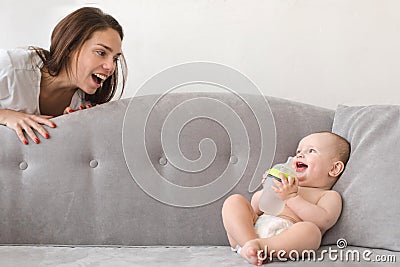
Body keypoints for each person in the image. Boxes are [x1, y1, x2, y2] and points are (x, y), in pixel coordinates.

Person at [0, 7, 127, 145]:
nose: (111, 67)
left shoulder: (84, 104)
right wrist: (5, 116)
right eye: (101, 53)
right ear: (70, 47)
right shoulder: (10, 66)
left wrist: (68, 127)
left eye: (115, 58)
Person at [221, 131, 350, 265]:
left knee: (312, 232)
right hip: (253, 229)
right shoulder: (285, 185)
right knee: (234, 201)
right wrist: (267, 190)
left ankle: (259, 247)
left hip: (285, 239)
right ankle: (248, 244)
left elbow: (324, 220)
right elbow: (256, 208)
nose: (300, 155)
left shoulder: (328, 195)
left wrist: (292, 198)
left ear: (334, 168)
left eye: (311, 151)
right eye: (298, 151)